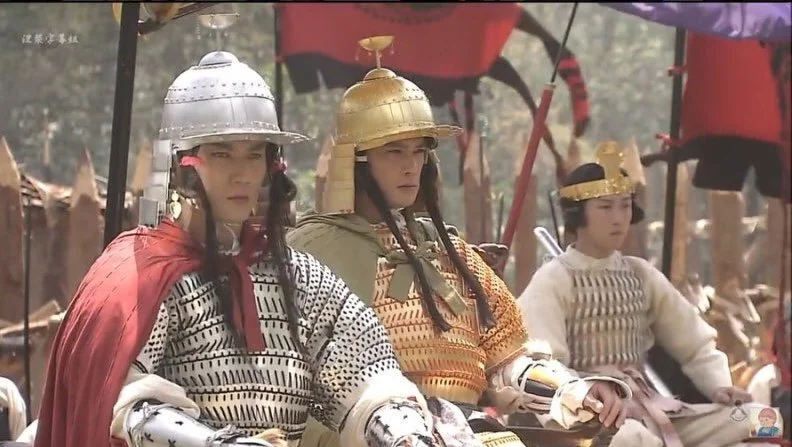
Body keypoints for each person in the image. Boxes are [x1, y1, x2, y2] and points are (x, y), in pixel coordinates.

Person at [32, 51, 442, 447]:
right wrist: (217, 443)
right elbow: (127, 407)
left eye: (254, 154)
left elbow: (369, 377)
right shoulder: (140, 275)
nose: (242, 173)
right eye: (221, 154)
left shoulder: (297, 278)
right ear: (182, 165)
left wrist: (404, 434)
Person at [287, 36, 632, 447]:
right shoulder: (313, 252)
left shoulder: (452, 253)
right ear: (356, 162)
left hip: (467, 432)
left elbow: (511, 359)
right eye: (394, 151)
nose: (411, 166)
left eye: (419, 151)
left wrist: (573, 391)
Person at [519, 141, 768, 447]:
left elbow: (693, 343)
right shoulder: (554, 279)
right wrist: (582, 394)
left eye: (625, 205)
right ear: (579, 214)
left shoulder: (640, 274)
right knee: (635, 440)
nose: (618, 218)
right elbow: (542, 364)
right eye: (605, 207)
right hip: (589, 416)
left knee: (762, 420)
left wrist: (719, 386)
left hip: (650, 407)